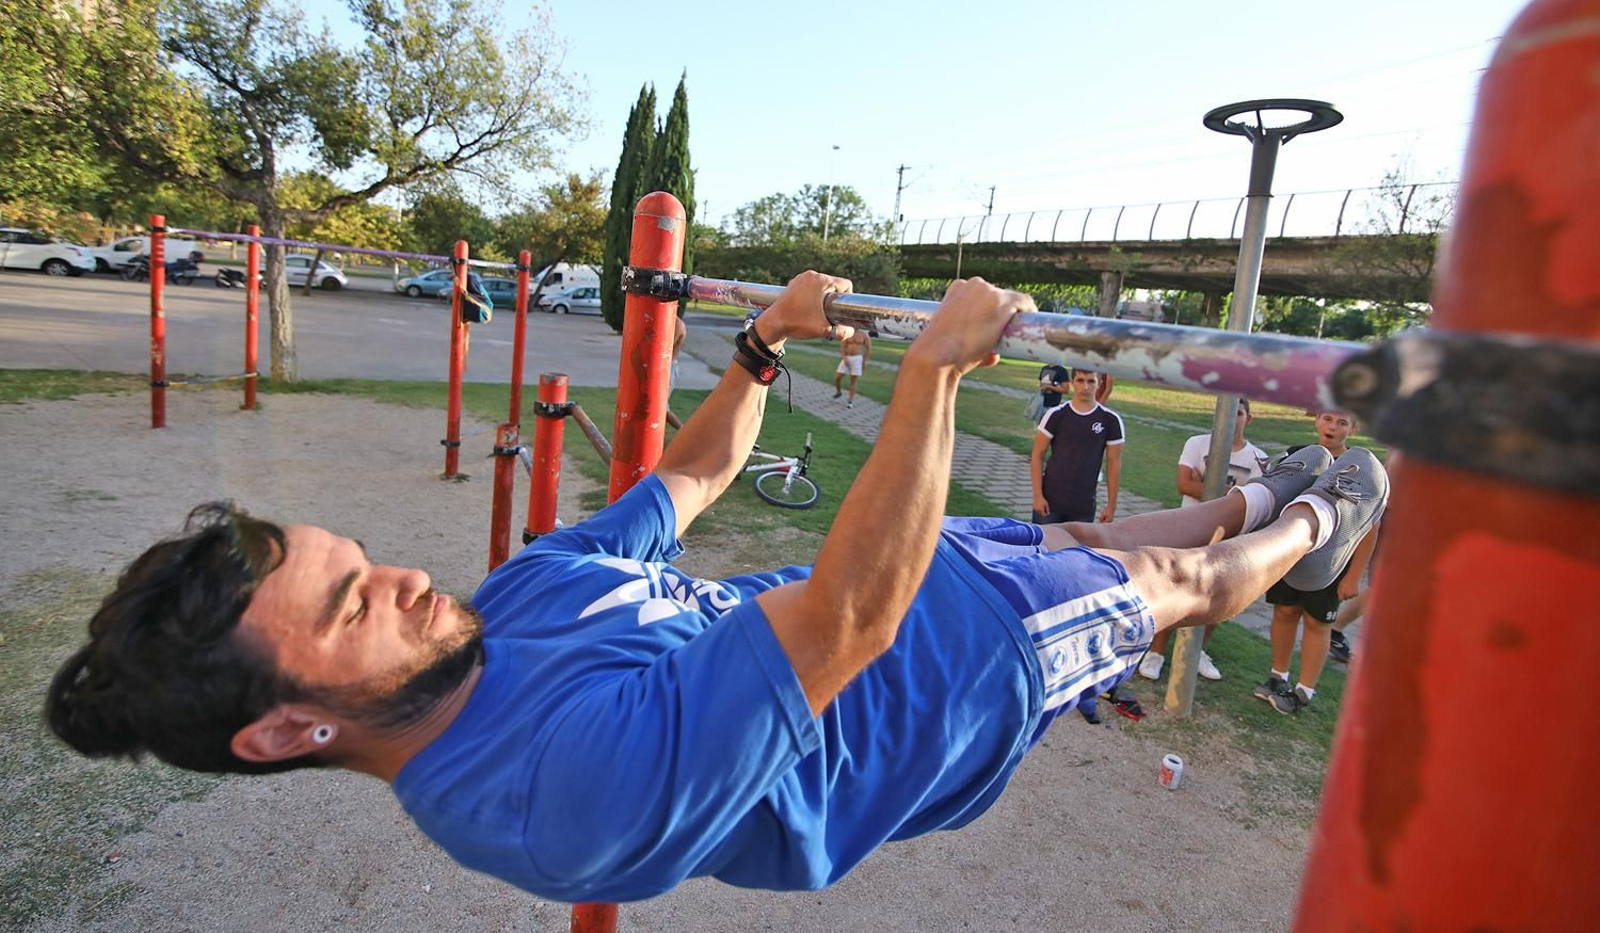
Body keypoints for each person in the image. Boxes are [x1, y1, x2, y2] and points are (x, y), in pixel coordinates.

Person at [46, 273, 1386, 904]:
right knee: (1181, 579)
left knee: (1141, 527)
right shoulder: (551, 801)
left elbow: (685, 483)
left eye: (357, 561)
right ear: (288, 728)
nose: (399, 575)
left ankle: (1265, 488)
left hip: (911, 564)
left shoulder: (503, 603)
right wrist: (930, 376)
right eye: (352, 606)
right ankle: (1331, 513)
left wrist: (756, 345)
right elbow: (851, 628)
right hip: (954, 679)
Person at [1253, 410, 1387, 714]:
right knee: (1285, 612)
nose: (1333, 426)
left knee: (1317, 622)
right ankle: (1278, 676)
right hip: (1291, 555)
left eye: (1342, 422)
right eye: (1328, 418)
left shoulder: (1360, 468)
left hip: (1332, 562)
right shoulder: (1300, 456)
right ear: (1317, 420)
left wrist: (1354, 576)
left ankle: (1304, 691)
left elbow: (1370, 526)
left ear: (1354, 428)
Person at [1139, 398, 1269, 682]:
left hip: (1229, 536)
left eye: (1240, 413)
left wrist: (1209, 487)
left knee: (1215, 596)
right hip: (1190, 528)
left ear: (1249, 418)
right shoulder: (1197, 444)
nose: (1233, 418)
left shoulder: (1258, 459)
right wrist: (1229, 494)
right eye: (1228, 412)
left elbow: (1251, 503)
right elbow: (1184, 484)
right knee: (1173, 588)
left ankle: (1197, 651)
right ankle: (1157, 651)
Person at [1030, 369, 1124, 524]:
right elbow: (1037, 455)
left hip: (1083, 507)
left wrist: (1111, 506)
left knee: (1075, 548)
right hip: (1049, 504)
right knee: (1044, 547)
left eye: (1091, 381)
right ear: (1073, 382)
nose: (1085, 387)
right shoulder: (1056, 414)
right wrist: (1038, 497)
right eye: (1080, 381)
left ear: (1099, 384)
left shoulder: (1111, 420)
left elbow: (1114, 464)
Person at [832, 327, 871, 408]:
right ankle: (838, 392)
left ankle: (850, 401)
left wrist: (865, 361)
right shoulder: (847, 333)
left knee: (853, 380)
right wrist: (844, 358)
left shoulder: (863, 334)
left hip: (857, 359)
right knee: (838, 377)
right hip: (847, 357)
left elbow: (868, 348)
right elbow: (843, 347)